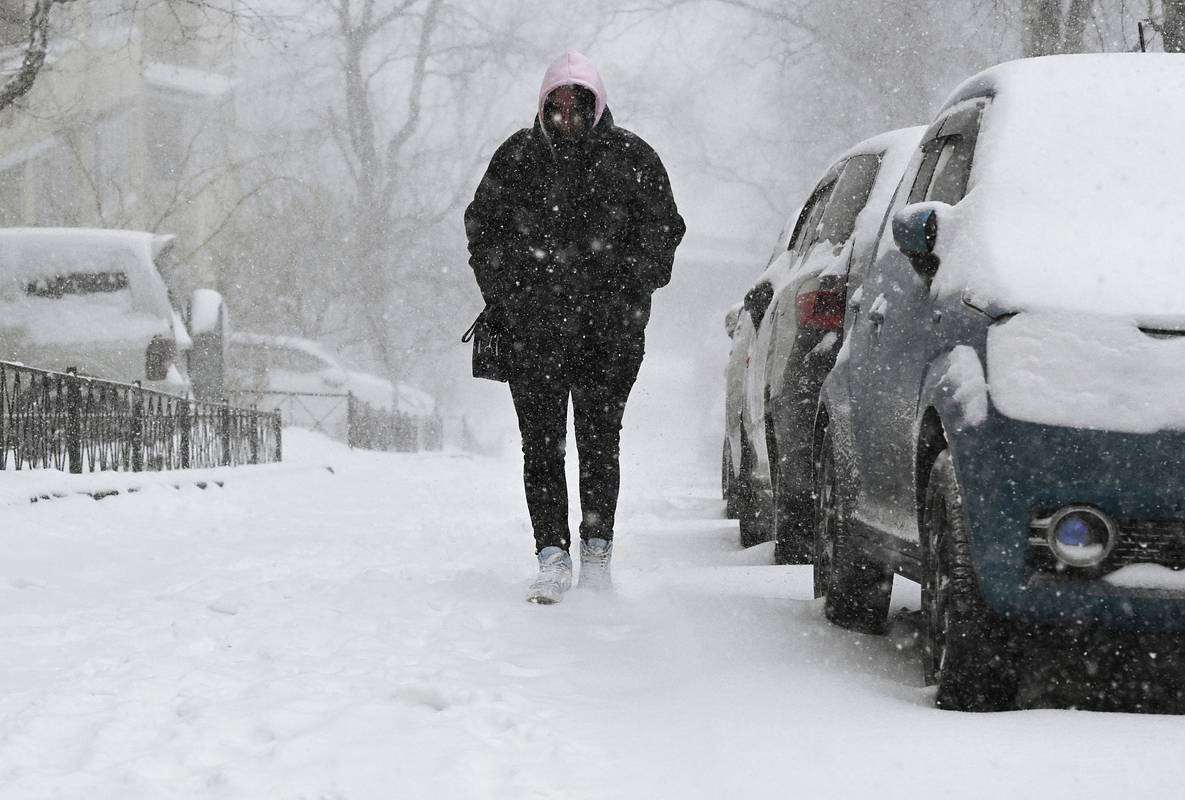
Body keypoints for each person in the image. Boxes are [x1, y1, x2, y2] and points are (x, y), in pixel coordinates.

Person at [464, 51, 685, 604]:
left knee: (598, 442)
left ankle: (596, 552)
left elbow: (664, 232)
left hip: (609, 336)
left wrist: (626, 282)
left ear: (596, 105)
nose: (565, 117)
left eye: (577, 105)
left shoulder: (633, 159)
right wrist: (509, 294)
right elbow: (482, 229)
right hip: (531, 335)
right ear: (542, 107)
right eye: (555, 106)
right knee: (541, 446)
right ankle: (552, 556)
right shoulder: (516, 159)